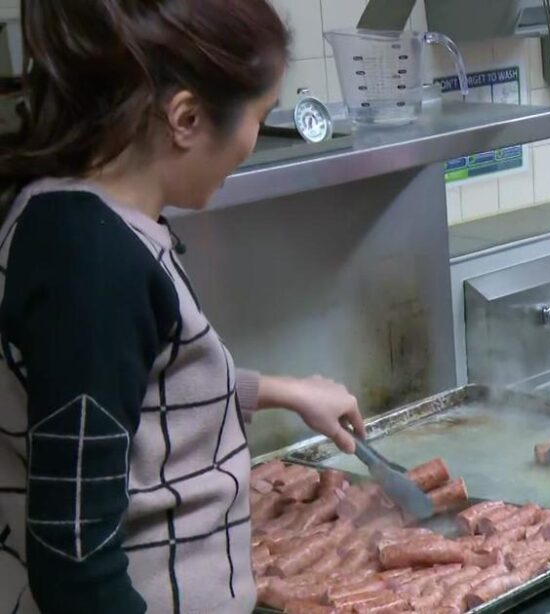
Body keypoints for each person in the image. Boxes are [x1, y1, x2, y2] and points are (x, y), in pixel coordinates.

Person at [0, 1, 369, 612]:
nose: (253, 141)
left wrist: (281, 390)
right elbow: (74, 564)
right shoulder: (91, 262)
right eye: (260, 116)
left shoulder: (89, 221)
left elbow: (130, 393)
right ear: (187, 118)